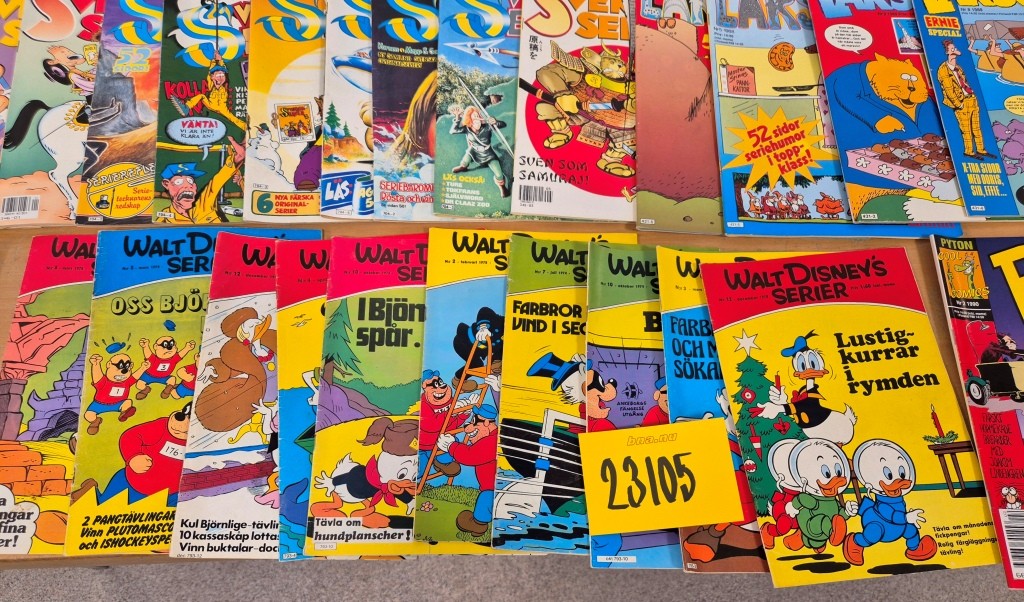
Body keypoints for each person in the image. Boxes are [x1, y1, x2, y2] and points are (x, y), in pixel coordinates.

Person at [71, 404, 191, 506]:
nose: (181, 427)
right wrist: (134, 457)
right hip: (132, 483)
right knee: (106, 506)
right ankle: (91, 490)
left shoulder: (196, 442)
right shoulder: (162, 426)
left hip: (170, 494)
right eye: (180, 417)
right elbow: (131, 436)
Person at [437, 404, 498, 537]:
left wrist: (451, 446)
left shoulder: (492, 440)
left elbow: (471, 456)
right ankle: (444, 462)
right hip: (488, 486)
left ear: (486, 422)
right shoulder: (488, 438)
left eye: (474, 422)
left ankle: (479, 524)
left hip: (492, 488)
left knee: (486, 498)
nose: (468, 426)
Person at [155, 135, 245, 224]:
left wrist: (235, 145)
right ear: (166, 184)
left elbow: (235, 161)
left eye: (190, 181)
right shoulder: (165, 215)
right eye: (179, 182)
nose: (188, 186)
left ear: (195, 186)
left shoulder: (205, 200)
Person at [937, 40, 994, 160]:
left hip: (971, 99)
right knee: (966, 129)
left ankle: (981, 149)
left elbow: (964, 83)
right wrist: (958, 104)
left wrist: (972, 96)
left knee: (977, 128)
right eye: (952, 49)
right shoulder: (943, 70)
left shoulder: (958, 68)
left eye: (955, 48)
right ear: (947, 52)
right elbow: (949, 90)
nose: (955, 50)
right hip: (961, 103)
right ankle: (969, 151)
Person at [171, 52, 246, 131]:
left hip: (223, 109)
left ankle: (245, 127)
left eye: (222, 75)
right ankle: (186, 108)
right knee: (201, 96)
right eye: (218, 75)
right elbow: (210, 71)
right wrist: (214, 60)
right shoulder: (211, 85)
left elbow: (225, 71)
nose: (220, 77)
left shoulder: (225, 86)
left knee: (233, 118)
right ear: (212, 77)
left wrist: (220, 60)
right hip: (211, 105)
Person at [449, 105, 510, 197]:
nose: (477, 118)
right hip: (473, 151)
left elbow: (503, 124)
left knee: (499, 175)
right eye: (474, 116)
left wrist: (495, 122)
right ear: (469, 119)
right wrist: (457, 117)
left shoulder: (487, 127)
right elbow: (453, 131)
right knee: (465, 161)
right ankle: (463, 167)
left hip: (488, 154)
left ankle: (502, 187)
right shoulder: (467, 129)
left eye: (478, 115)